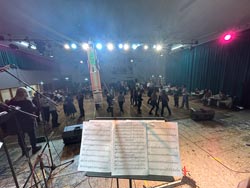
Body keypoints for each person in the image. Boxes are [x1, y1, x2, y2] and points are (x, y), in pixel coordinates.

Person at [8, 87, 42, 156]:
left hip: (17, 123)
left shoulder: (12, 101)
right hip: (28, 121)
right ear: (24, 93)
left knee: (20, 137)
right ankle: (34, 148)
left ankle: (24, 150)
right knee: (32, 135)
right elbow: (35, 109)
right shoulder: (27, 101)